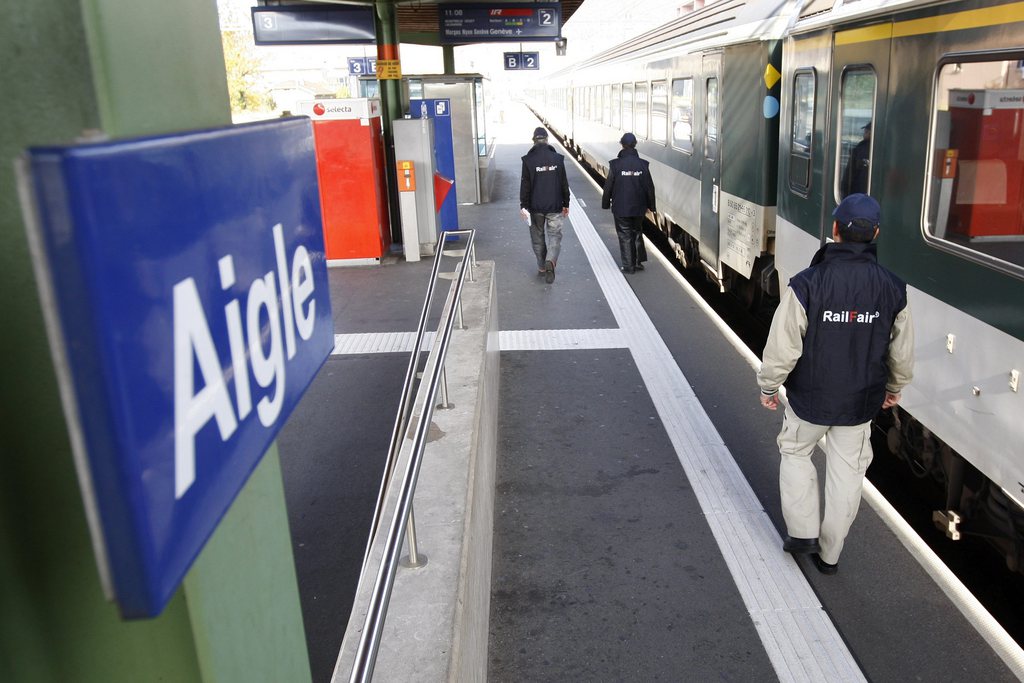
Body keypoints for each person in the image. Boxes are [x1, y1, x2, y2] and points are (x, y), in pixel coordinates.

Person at [756, 193, 914, 575]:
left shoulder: (807, 283)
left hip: (809, 398)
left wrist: (769, 385)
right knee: (848, 474)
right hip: (859, 404)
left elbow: (784, 345)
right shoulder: (893, 288)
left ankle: (803, 534)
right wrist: (896, 387)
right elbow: (901, 351)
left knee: (795, 453)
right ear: (875, 233)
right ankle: (830, 554)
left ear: (834, 231)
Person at [520, 127, 570, 284]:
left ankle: (542, 266)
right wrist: (566, 203)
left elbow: (525, 185)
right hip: (555, 206)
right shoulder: (558, 159)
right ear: (547, 140)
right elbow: (564, 183)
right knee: (555, 235)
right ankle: (551, 260)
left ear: (534, 141)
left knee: (537, 237)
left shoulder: (528, 160)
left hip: (535, 208)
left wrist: (524, 206)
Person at [601, 132, 656, 273]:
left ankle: (629, 266)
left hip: (621, 207)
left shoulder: (615, 165)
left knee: (625, 234)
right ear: (635, 144)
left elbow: (609, 186)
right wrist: (651, 206)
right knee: (637, 231)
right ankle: (638, 262)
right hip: (638, 207)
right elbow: (649, 187)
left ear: (622, 145)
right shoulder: (643, 165)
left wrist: (605, 204)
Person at [841, 122, 871, 197]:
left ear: (870, 133)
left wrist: (844, 193)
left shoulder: (859, 150)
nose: (864, 134)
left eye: (866, 132)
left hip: (857, 195)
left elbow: (848, 176)